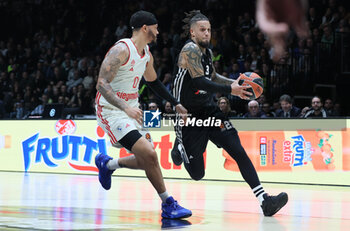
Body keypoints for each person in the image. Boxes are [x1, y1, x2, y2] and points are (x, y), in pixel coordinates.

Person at [171, 10, 288, 217]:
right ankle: (179, 146)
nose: (207, 33)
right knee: (198, 174)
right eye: (202, 30)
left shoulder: (206, 52)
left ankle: (265, 201)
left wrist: (233, 83)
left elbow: (213, 76)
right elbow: (199, 82)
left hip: (210, 111)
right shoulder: (189, 50)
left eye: (209, 30)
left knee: (238, 151)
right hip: (188, 115)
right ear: (192, 33)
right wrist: (230, 90)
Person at [94, 10, 192, 219]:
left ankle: (107, 164)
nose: (159, 31)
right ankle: (168, 204)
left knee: (146, 160)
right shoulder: (121, 50)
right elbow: (101, 84)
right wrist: (125, 107)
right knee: (149, 154)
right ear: (146, 28)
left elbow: (153, 81)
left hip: (132, 110)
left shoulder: (146, 54)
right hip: (112, 111)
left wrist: (175, 103)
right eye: (156, 27)